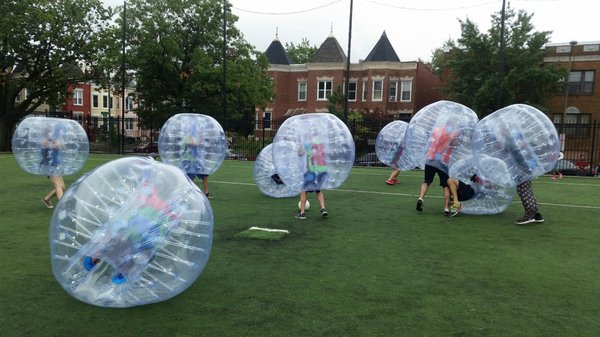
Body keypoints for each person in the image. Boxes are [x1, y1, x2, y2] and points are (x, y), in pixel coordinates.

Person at [295, 133, 328, 219]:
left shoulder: (307, 144)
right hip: (319, 171)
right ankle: (323, 208)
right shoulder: (320, 144)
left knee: (304, 190)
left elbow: (300, 153)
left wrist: (301, 144)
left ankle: (302, 213)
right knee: (318, 190)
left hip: (310, 172)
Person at [40, 125, 65, 208]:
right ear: (47, 133)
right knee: (58, 186)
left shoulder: (53, 140)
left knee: (62, 187)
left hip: (56, 165)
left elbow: (61, 146)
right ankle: (62, 207)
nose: (52, 133)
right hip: (48, 166)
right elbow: (56, 146)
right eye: (51, 131)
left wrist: (59, 140)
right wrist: (58, 137)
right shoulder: (45, 141)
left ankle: (46, 199)